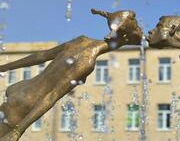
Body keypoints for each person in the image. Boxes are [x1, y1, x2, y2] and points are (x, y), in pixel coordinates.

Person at [0, 9, 142, 141]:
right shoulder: (87, 62)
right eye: (137, 28)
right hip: (23, 107)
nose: (140, 31)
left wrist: (5, 67)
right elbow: (52, 95)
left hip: (19, 89)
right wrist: (18, 130)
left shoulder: (81, 40)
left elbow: (41, 55)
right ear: (124, 37)